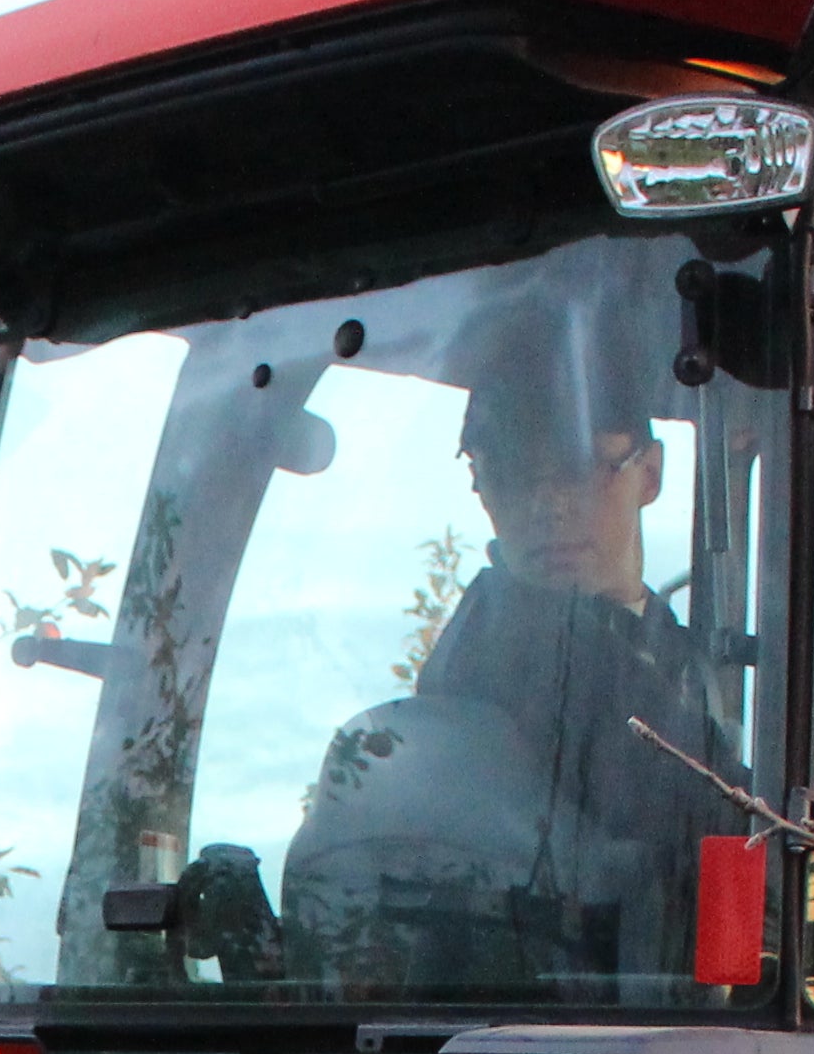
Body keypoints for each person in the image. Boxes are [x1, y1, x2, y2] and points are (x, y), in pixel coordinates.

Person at [284, 330, 732, 989]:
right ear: (480, 487)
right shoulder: (506, 667)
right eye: (513, 473)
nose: (546, 504)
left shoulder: (666, 649)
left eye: (580, 467)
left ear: (652, 474)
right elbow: (693, 839)